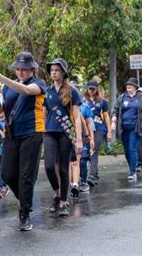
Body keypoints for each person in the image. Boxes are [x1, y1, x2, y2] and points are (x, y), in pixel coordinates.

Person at [0, 52, 46, 231]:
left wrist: (1, 77)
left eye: (24, 69)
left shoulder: (38, 83)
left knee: (25, 176)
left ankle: (25, 214)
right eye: (18, 69)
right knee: (6, 174)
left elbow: (26, 91)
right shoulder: (8, 88)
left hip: (32, 133)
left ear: (32, 70)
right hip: (11, 134)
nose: (20, 72)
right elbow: (3, 110)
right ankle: (24, 201)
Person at [43, 58, 83, 216]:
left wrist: (78, 139)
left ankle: (64, 201)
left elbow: (77, 117)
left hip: (66, 133)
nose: (53, 73)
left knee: (64, 168)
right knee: (49, 166)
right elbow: (45, 114)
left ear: (63, 72)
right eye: (52, 70)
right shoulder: (47, 91)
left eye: (57, 70)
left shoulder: (72, 91)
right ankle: (57, 193)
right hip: (50, 132)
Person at [111, 78, 142, 182]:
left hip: (135, 128)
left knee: (132, 149)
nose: (128, 86)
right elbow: (115, 110)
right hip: (123, 128)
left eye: (131, 85)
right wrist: (113, 122)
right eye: (127, 85)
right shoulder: (122, 98)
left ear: (135, 87)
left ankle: (132, 172)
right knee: (127, 151)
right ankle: (132, 167)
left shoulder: (140, 98)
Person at [84, 79, 111, 186]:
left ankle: (92, 175)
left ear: (96, 90)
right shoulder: (83, 100)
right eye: (89, 88)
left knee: (94, 150)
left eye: (93, 89)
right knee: (86, 152)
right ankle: (95, 173)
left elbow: (106, 116)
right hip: (86, 129)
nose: (91, 91)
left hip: (99, 128)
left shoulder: (102, 102)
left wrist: (109, 131)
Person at [69, 81, 94, 195]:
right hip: (67, 135)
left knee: (80, 161)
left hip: (79, 136)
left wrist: (89, 137)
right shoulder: (64, 104)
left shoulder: (84, 106)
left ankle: (81, 182)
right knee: (70, 162)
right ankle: (72, 183)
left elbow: (87, 122)